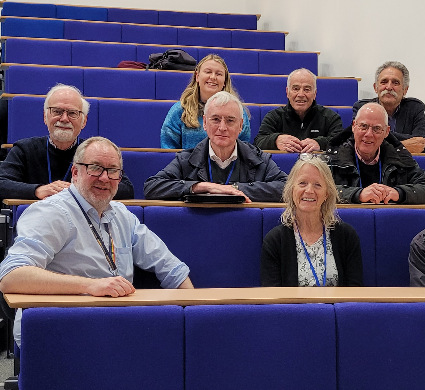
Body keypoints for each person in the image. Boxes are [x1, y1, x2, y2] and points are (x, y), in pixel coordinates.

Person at [0, 136, 194, 346]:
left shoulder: (121, 214)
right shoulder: (50, 213)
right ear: (75, 172)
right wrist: (91, 285)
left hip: (112, 324)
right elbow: (12, 276)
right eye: (95, 168)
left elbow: (170, 267)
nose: (104, 178)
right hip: (56, 327)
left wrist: (193, 317)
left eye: (113, 171)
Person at [145, 91, 287, 202]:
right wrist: (200, 186)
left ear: (241, 126)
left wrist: (235, 189)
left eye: (230, 120)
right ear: (205, 123)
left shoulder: (260, 159)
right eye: (216, 119)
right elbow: (152, 187)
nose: (222, 127)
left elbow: (287, 188)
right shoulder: (186, 159)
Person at [0, 84, 134, 201]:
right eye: (57, 111)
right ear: (45, 117)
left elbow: (126, 188)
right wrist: (38, 190)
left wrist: (81, 189)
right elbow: (2, 183)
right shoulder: (25, 149)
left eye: (72, 113)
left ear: (84, 121)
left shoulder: (93, 152)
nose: (64, 119)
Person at [261, 154, 363, 286]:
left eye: (317, 185)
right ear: (292, 189)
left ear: (327, 193)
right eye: (302, 183)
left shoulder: (347, 236)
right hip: (293, 307)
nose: (309, 190)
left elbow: (354, 292)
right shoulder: (275, 241)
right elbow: (273, 298)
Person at [328, 103, 425, 204]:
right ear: (353, 126)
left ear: (386, 132)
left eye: (377, 129)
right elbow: (319, 190)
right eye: (363, 126)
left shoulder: (400, 157)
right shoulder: (333, 157)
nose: (369, 134)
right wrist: (357, 194)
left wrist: (399, 193)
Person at [160, 54, 251, 149]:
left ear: (224, 81)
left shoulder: (237, 111)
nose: (213, 77)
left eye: (218, 74)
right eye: (208, 72)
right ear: (197, 77)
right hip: (186, 163)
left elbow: (243, 148)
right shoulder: (179, 110)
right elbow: (168, 148)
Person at [254, 68, 344, 152]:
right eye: (296, 89)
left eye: (307, 89)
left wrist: (320, 143)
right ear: (287, 92)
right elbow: (258, 142)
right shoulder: (273, 116)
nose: (301, 94)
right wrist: (275, 140)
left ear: (315, 94)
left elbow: (342, 142)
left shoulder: (331, 117)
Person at [352, 61, 425, 153]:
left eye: (395, 83)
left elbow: (424, 144)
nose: (389, 87)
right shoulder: (363, 108)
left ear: (405, 90)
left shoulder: (414, 108)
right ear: (375, 88)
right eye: (384, 82)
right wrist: (403, 146)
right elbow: (357, 141)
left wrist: (378, 140)